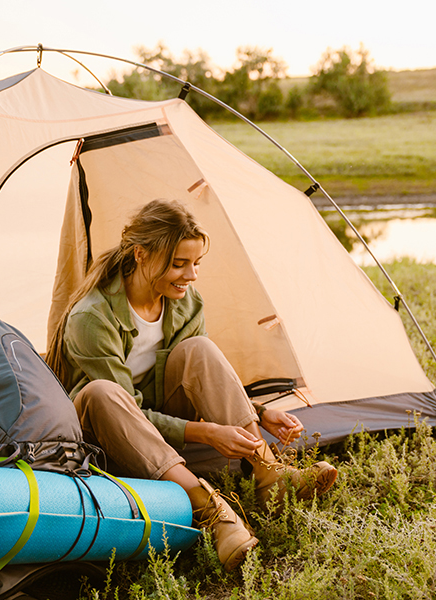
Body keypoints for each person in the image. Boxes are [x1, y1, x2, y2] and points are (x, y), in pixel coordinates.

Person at [46, 199, 337, 571]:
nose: (191, 275)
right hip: (109, 435)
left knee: (199, 348)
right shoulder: (92, 317)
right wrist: (207, 432)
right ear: (141, 255)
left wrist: (260, 414)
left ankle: (269, 473)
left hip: (164, 424)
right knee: (102, 392)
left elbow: (204, 375)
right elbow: (125, 408)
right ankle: (211, 512)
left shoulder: (186, 302)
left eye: (196, 263)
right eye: (179, 264)